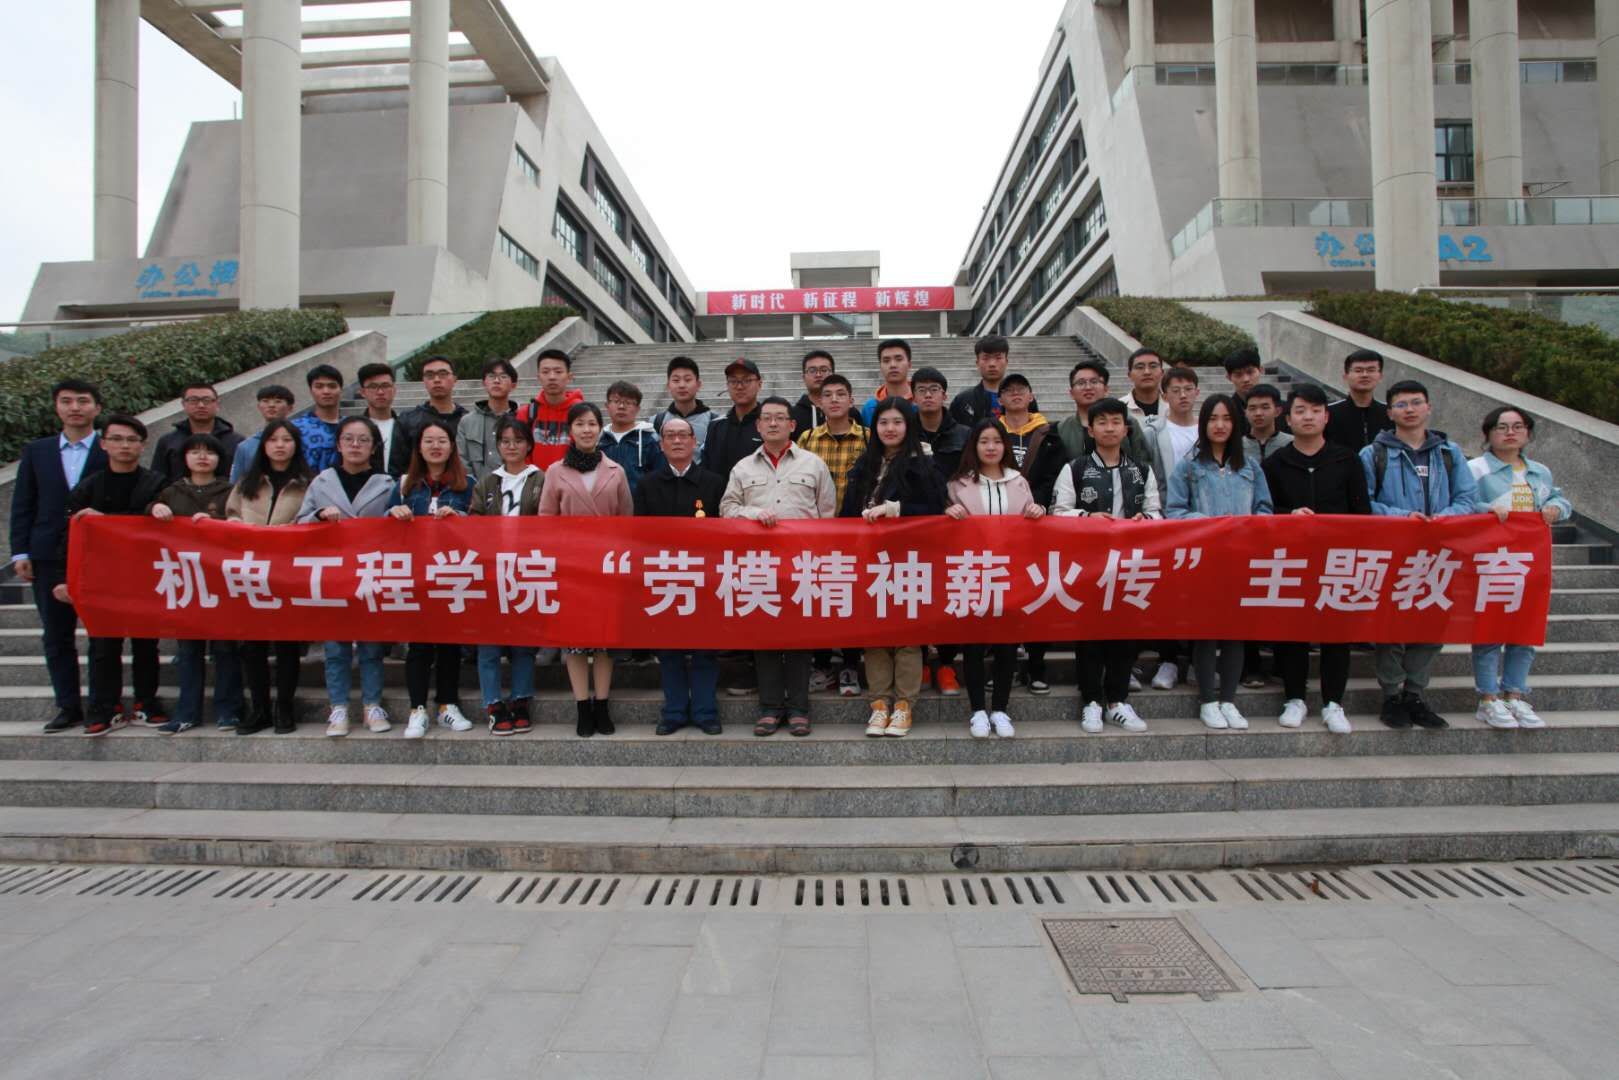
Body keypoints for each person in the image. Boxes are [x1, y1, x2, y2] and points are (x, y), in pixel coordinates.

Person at [1361, 380, 1478, 731]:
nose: (1409, 410)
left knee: (1432, 624)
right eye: (1401, 404)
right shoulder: (1373, 454)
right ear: (1389, 412)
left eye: (1415, 403)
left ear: (1428, 408)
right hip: (1394, 552)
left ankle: (1415, 693)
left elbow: (1467, 498)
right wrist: (1402, 518)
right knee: (1391, 625)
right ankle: (1391, 695)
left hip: (1440, 552)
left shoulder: (1449, 453)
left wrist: (1444, 519)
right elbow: (1364, 502)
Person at [720, 396, 836, 737]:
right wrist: (753, 514)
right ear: (757, 425)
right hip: (759, 566)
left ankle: (799, 708)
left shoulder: (813, 465)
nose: (773, 423)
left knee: (800, 638)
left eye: (780, 418)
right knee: (765, 637)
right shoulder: (743, 468)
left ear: (792, 425)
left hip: (802, 565)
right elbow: (727, 509)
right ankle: (770, 708)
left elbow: (827, 514)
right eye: (766, 418)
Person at [1262, 384, 1371, 734]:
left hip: (1338, 559)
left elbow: (1362, 512)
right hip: (1291, 560)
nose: (1307, 417)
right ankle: (1294, 698)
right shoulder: (1276, 462)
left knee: (1336, 632)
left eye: (1315, 410)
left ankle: (1333, 702)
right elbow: (1264, 511)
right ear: (1287, 418)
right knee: (1292, 630)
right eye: (1300, 411)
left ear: (1326, 416)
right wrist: (1288, 515)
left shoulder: (1346, 459)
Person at [53, 415, 168, 737]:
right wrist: (63, 577)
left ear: (143, 446)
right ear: (103, 444)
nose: (124, 446)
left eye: (132, 440)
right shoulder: (88, 487)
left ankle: (147, 702)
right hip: (102, 578)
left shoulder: (157, 484)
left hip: (146, 575)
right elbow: (69, 535)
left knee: (147, 643)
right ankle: (104, 707)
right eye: (117, 439)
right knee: (103, 644)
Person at [1166, 395, 1273, 730]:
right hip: (1205, 559)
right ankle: (1208, 701)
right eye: (1213, 418)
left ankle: (1229, 699)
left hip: (1240, 558)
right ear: (1203, 424)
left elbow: (1265, 509)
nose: (1220, 425)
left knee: (1234, 633)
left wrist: (1246, 526)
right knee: (1207, 632)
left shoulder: (1250, 466)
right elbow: (1175, 511)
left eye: (1226, 418)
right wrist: (1210, 524)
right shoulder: (1189, 467)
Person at [1052, 398, 1159, 734]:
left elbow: (1157, 512)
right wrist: (1087, 517)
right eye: (1102, 422)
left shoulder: (1141, 470)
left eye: (1116, 422)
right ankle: (1091, 702)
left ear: (1126, 429)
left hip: (1130, 563)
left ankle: (1118, 701)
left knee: (1125, 634)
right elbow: (1058, 512)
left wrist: (1145, 520)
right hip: (1089, 563)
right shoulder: (1075, 468)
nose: (1109, 428)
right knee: (1089, 634)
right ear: (1091, 429)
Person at [841, 398, 947, 738]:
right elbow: (847, 513)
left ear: (908, 426)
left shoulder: (923, 463)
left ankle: (904, 705)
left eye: (897, 422)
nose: (890, 428)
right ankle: (879, 704)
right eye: (884, 422)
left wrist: (895, 509)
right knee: (875, 636)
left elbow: (935, 508)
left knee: (907, 637)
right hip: (868, 561)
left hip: (907, 561)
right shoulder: (866, 462)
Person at [10, 378, 107, 732]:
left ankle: (101, 704)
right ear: (56, 407)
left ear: (97, 408)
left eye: (83, 400)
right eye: (67, 401)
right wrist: (20, 551)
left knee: (103, 635)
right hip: (48, 553)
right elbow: (23, 503)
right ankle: (67, 705)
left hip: (99, 555)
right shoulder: (37, 451)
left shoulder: (110, 449)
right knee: (56, 634)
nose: (75, 407)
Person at [1469, 406, 1571, 730]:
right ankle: (1488, 698)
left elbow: (1559, 499)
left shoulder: (1539, 471)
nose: (1510, 432)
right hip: (1491, 559)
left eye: (1517, 426)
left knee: (1524, 631)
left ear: (1527, 433)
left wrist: (1556, 508)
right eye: (1502, 427)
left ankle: (1515, 694)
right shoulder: (1476, 468)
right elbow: (1462, 503)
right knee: (1490, 631)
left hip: (1530, 562)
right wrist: (1486, 509)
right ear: (1489, 433)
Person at [297, 416, 400, 737]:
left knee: (371, 646)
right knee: (336, 646)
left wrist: (396, 515)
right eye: (349, 439)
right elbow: (298, 524)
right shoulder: (321, 482)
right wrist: (318, 515)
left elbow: (398, 529)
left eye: (363, 440)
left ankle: (372, 705)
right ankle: (338, 706)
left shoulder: (388, 484)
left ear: (374, 447)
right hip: (332, 573)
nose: (356, 445)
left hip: (371, 572)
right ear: (339, 444)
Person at [946, 420, 1044, 737]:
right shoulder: (958, 484)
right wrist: (948, 513)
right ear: (974, 446)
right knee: (973, 644)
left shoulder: (1019, 481)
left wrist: (1038, 511)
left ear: (1005, 446)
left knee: (1006, 645)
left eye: (997, 441)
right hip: (972, 572)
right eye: (984, 441)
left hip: (1010, 574)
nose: (991, 447)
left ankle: (1000, 708)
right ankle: (977, 709)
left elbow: (1031, 521)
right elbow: (944, 529)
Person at [540, 402, 633, 737]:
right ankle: (582, 705)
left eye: (592, 423)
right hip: (572, 567)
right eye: (580, 424)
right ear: (571, 430)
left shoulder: (616, 471)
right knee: (576, 643)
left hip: (606, 567)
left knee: (605, 641)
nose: (587, 430)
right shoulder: (555, 471)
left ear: (600, 428)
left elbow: (626, 520)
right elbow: (546, 519)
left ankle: (602, 703)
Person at [635, 415, 727, 736]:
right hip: (664, 578)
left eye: (683, 435)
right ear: (660, 445)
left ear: (694, 442)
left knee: (705, 649)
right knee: (669, 649)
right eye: (670, 436)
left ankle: (705, 712)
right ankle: (673, 712)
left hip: (704, 578)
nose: (677, 441)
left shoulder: (714, 483)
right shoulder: (647, 485)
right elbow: (639, 535)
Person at [150, 433, 242, 734]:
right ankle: (187, 712)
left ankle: (229, 710)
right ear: (184, 458)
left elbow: (242, 524)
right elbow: (147, 525)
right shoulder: (171, 492)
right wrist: (153, 509)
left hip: (222, 579)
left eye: (209, 452)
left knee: (226, 649)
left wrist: (221, 523)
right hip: (185, 581)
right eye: (195, 452)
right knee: (188, 650)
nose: (203, 457)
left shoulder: (231, 490)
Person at [390, 419, 475, 739]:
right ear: (419, 447)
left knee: (450, 643)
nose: (436, 446)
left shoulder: (467, 484)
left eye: (442, 440)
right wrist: (393, 514)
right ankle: (417, 709)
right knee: (419, 644)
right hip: (415, 575)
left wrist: (459, 519)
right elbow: (381, 527)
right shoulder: (404, 485)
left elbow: (481, 526)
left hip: (453, 574)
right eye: (429, 441)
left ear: (452, 447)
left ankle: (447, 705)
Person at [227, 419, 313, 735]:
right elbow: (231, 514)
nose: (280, 445)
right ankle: (259, 708)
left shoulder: (308, 483)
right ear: (263, 445)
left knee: (287, 645)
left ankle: (284, 707)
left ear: (296, 445)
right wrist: (236, 526)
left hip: (288, 573)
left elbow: (314, 522)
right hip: (250, 573)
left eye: (286, 440)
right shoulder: (246, 483)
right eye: (273, 439)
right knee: (252, 646)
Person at [794, 372, 868, 698]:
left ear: (851, 400)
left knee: (852, 598)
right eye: (828, 395)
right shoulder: (807, 439)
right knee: (819, 597)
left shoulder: (868, 438)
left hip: (858, 534)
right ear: (819, 402)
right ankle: (822, 664)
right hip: (816, 534)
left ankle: (850, 662)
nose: (834, 400)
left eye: (841, 394)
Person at [469, 416, 545, 735]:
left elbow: (550, 520)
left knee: (522, 641)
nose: (511, 447)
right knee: (488, 641)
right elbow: (473, 521)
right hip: (492, 569)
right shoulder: (487, 482)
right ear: (497, 446)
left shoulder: (541, 479)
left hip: (527, 568)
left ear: (529, 445)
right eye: (505, 441)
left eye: (518, 441)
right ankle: (493, 703)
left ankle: (520, 699)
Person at [1026, 359, 1156, 508]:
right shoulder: (1060, 430)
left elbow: (1144, 463)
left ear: (1106, 389)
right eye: (1081, 383)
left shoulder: (1128, 424)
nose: (1088, 387)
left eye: (1094, 382)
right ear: (1071, 393)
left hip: (1124, 507)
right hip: (1073, 511)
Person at [153, 380, 243, 482]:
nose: (201, 405)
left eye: (207, 400)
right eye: (193, 400)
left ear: (217, 404)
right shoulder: (168, 441)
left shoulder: (236, 441)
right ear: (183, 404)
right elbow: (158, 479)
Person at [519, 348, 586, 471]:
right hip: (534, 481)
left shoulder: (581, 413)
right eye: (545, 372)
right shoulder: (527, 413)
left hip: (570, 480)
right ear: (538, 377)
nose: (552, 377)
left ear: (569, 376)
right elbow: (520, 454)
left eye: (558, 371)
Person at [455, 357, 519, 482]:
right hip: (476, 490)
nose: (496, 381)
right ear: (484, 383)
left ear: (513, 385)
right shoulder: (467, 422)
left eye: (503, 376)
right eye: (491, 376)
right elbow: (462, 461)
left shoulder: (522, 419)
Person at [702, 358, 764, 482]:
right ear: (727, 385)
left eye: (747, 380)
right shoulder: (716, 426)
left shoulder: (769, 424)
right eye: (733, 381)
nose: (739, 386)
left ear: (759, 384)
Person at [600, 379, 666, 495]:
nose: (621, 406)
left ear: (638, 408)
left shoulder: (650, 439)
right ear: (607, 406)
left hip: (640, 503)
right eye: (616, 401)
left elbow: (660, 476)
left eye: (628, 402)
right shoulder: (599, 440)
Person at [1326, 348, 1394, 450]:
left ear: (1380, 376)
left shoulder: (1391, 413)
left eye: (1371, 370)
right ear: (1346, 376)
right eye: (1358, 370)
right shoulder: (1328, 413)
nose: (1365, 375)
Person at [353, 362, 411, 477]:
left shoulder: (407, 428)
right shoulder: (353, 429)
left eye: (385, 386)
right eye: (373, 387)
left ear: (394, 389)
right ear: (363, 392)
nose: (380, 392)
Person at [229, 384, 296, 482]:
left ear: (290, 408)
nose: (271, 405)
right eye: (265, 401)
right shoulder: (245, 447)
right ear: (259, 407)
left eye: (278, 401)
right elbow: (235, 482)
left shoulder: (302, 440)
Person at [651, 356, 715, 457]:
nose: (682, 385)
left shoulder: (715, 422)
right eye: (676, 380)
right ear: (668, 386)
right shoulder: (655, 422)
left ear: (698, 385)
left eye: (687, 380)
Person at [400, 354, 468, 450]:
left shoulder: (468, 420)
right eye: (430, 375)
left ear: (454, 379)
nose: (436, 380)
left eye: (443, 374)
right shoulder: (408, 420)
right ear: (423, 381)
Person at [912, 366, 969, 480]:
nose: (928, 395)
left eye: (934, 389)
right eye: (921, 390)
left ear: (944, 396)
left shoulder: (965, 435)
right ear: (914, 398)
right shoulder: (906, 434)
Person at [951, 335, 1019, 425]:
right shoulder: (962, 401)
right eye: (985, 358)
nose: (992, 364)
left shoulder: (1021, 399)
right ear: (977, 363)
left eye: (998, 358)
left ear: (1006, 361)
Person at [294, 363, 346, 473]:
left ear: (341, 389)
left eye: (332, 386)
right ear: (311, 390)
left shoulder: (351, 426)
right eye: (319, 386)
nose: (326, 391)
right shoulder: (296, 427)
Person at [996, 373, 1048, 473]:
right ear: (1000, 401)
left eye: (1021, 389)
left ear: (1031, 397)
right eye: (1009, 390)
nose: (1015, 393)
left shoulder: (1047, 433)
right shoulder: (994, 432)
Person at [860, 338, 914, 425]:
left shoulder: (922, 403)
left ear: (909, 364)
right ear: (880, 367)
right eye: (886, 361)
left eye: (898, 359)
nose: (893, 365)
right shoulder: (870, 409)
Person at [791, 349, 835, 434]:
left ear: (833, 375)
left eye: (824, 370)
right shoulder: (792, 415)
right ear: (804, 377)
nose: (818, 375)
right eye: (812, 371)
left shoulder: (848, 413)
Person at [1124, 348, 1167, 434]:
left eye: (1153, 366)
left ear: (1162, 373)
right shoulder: (1120, 407)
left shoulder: (1172, 406)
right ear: (1130, 375)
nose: (1147, 372)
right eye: (1140, 367)